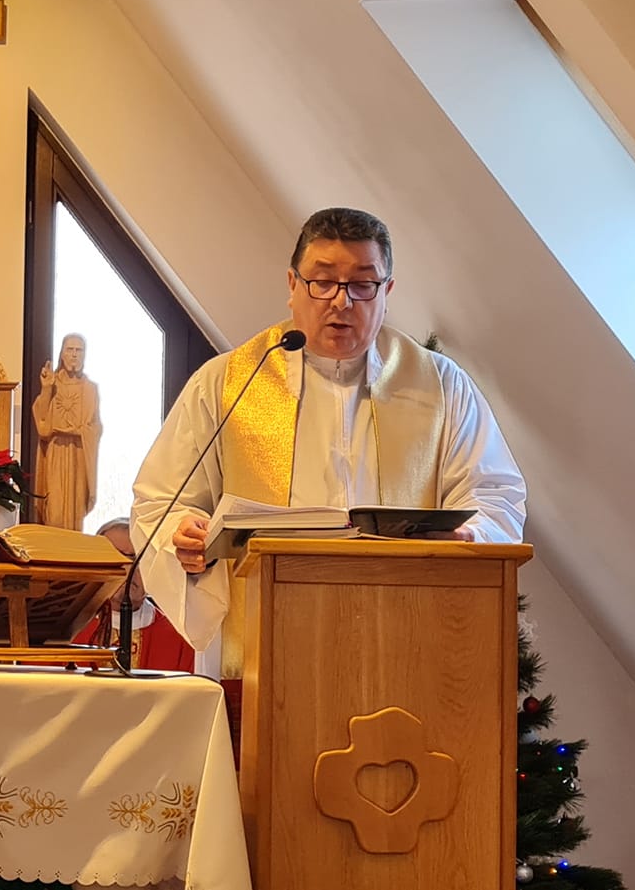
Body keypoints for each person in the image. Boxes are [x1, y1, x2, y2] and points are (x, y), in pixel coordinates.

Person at [130, 207, 527, 679]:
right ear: (293, 285)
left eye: (363, 284)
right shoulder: (226, 382)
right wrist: (185, 537)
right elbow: (160, 502)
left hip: (404, 637)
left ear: (387, 291)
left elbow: (495, 494)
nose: (342, 301)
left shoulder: (441, 386)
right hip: (267, 646)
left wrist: (468, 536)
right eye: (323, 281)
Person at [71, 518, 193, 672]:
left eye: (138, 559)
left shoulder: (180, 637)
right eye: (116, 556)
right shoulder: (66, 631)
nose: (129, 568)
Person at [33, 334, 102, 530]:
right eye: (70, 349)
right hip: (56, 451)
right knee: (54, 510)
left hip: (80, 452)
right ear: (62, 354)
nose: (74, 355)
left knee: (76, 510)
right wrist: (46, 389)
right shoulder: (52, 384)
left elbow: (96, 426)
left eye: (79, 350)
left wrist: (82, 430)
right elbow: (42, 423)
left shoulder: (90, 389)